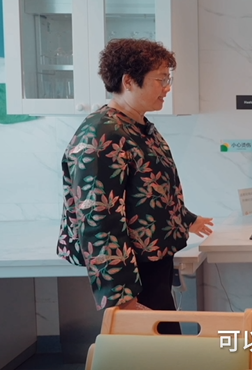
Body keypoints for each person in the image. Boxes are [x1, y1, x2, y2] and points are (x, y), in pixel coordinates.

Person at [56, 39, 213, 334]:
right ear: (129, 81)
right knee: (154, 350)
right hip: (131, 276)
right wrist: (123, 298)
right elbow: (98, 220)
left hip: (153, 265)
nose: (167, 88)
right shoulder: (101, 135)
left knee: (165, 347)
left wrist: (186, 219)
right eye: (160, 79)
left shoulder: (138, 126)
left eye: (168, 79)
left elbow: (152, 191)